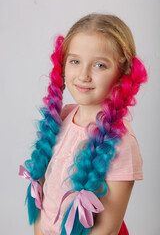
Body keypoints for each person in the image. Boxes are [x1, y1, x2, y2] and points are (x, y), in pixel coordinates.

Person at [19, 13, 148, 235]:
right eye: (75, 61)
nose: (83, 75)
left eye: (99, 65)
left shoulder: (121, 144)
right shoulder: (63, 118)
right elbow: (43, 191)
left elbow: (107, 229)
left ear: (123, 73)